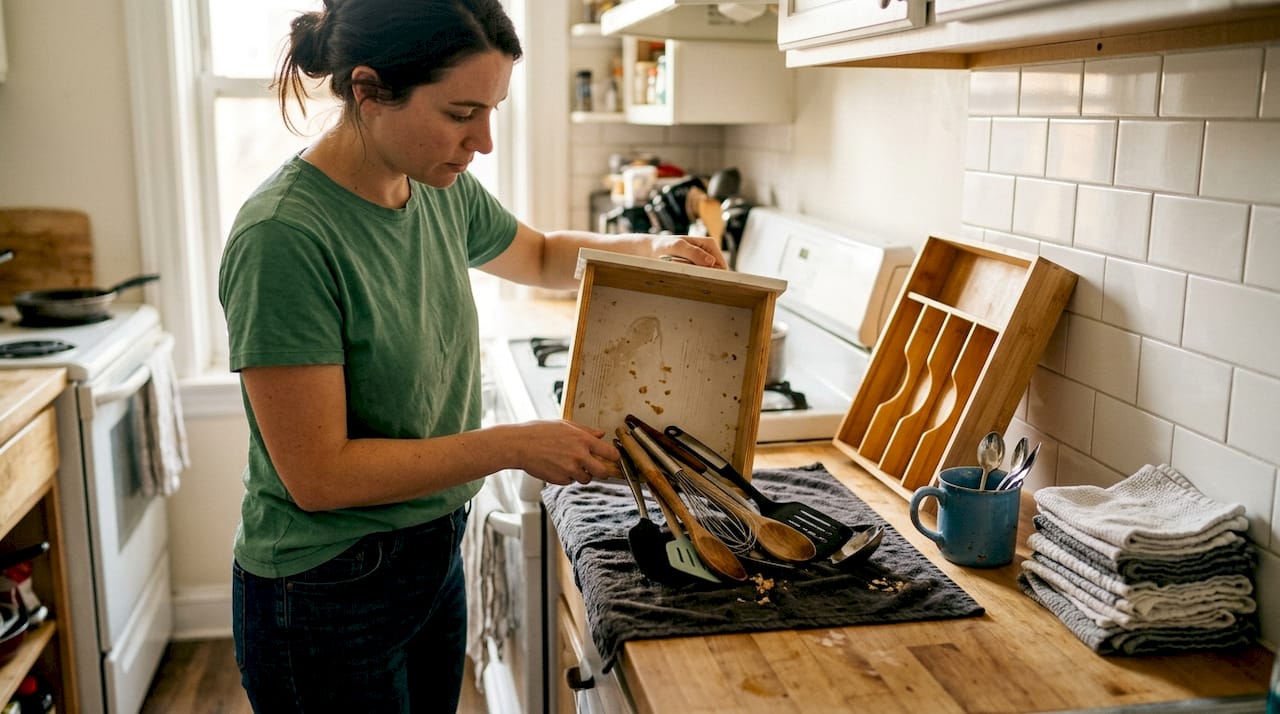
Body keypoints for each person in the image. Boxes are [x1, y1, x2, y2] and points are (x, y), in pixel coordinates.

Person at [217, 0, 726, 711]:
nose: (483, 141)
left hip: (429, 554)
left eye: (492, 110)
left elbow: (545, 254)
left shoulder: (433, 189)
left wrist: (652, 249)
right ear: (368, 90)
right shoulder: (284, 238)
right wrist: (513, 445)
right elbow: (319, 476)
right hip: (325, 592)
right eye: (461, 113)